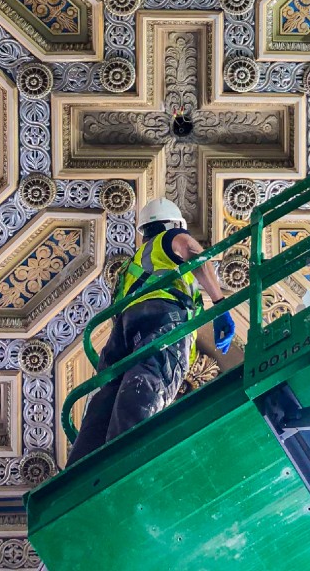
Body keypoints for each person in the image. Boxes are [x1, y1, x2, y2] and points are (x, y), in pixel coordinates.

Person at [66, 197, 236, 465]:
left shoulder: (133, 264)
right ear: (174, 223)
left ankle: (79, 470)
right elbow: (197, 257)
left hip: (124, 330)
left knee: (106, 399)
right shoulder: (171, 238)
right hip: (161, 318)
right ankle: (124, 463)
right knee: (150, 378)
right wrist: (220, 305)